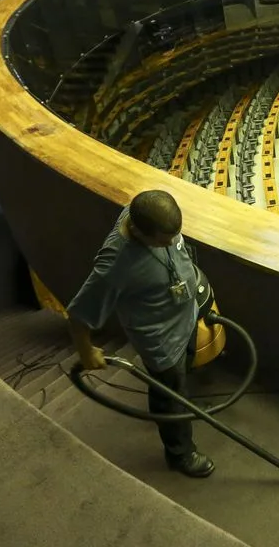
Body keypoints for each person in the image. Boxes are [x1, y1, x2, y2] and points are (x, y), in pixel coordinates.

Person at [66, 190, 215, 478]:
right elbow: (78, 313)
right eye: (163, 241)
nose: (171, 243)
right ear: (137, 231)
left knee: (179, 381)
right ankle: (180, 454)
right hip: (161, 340)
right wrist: (86, 351)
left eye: (175, 236)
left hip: (184, 321)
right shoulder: (114, 266)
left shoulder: (145, 215)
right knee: (168, 396)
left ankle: (183, 402)